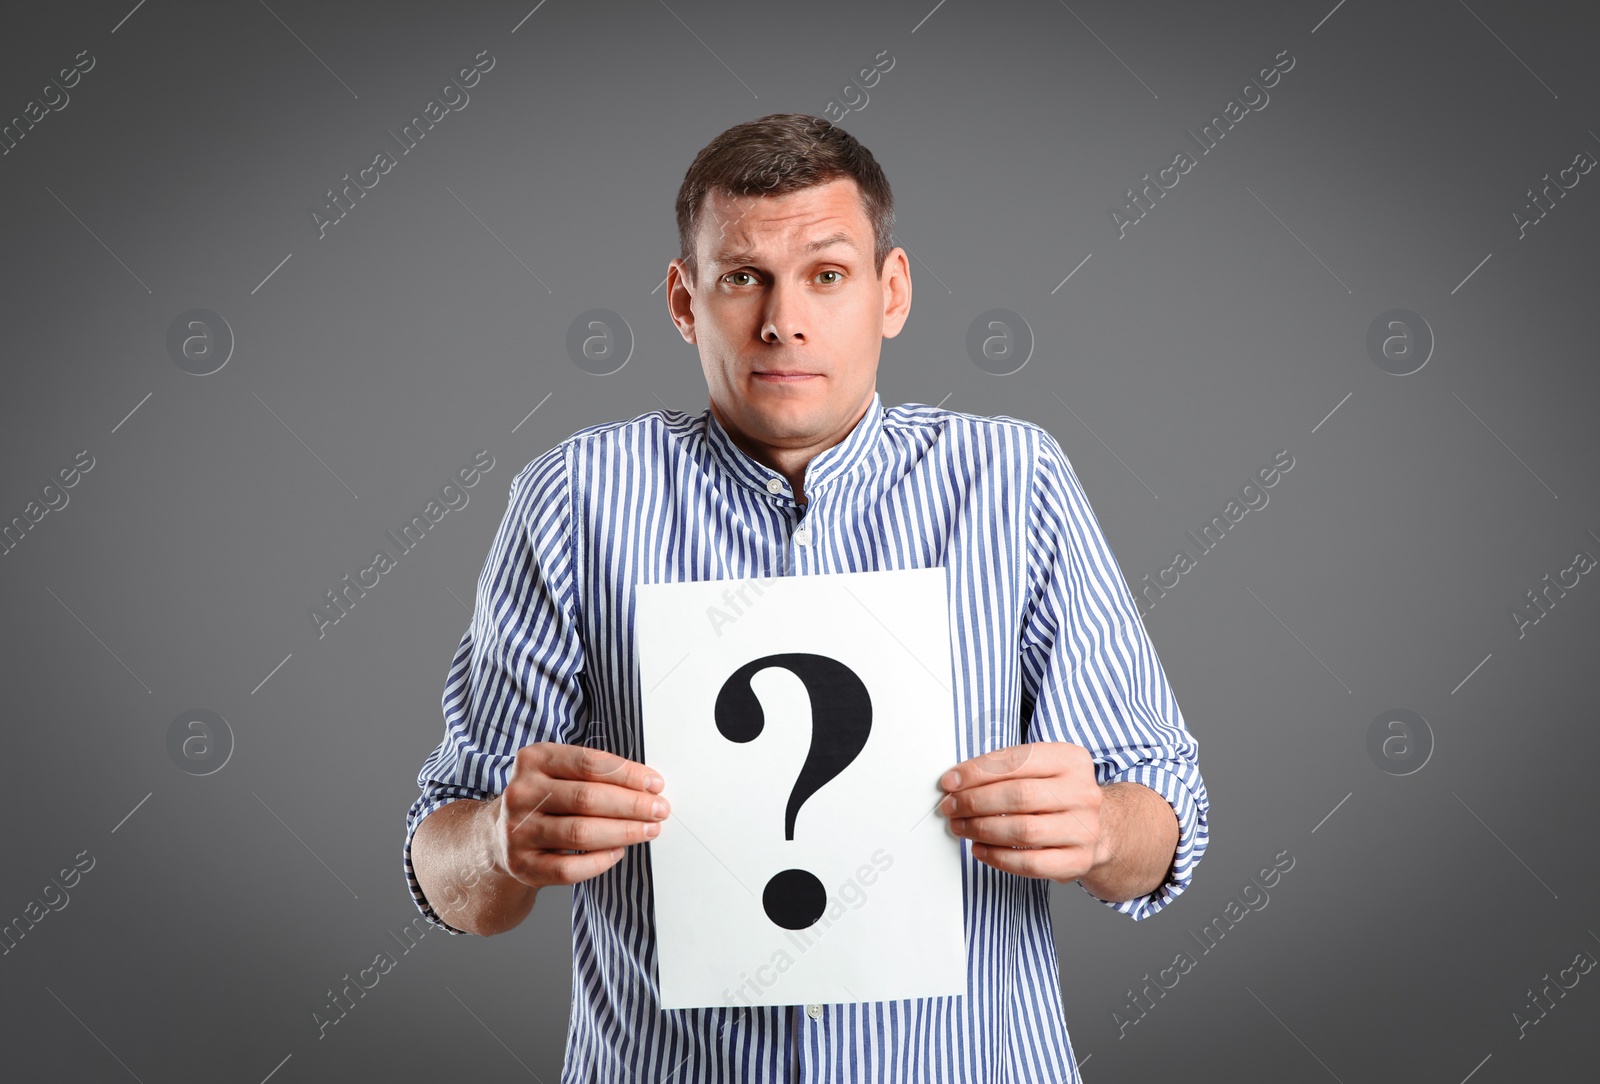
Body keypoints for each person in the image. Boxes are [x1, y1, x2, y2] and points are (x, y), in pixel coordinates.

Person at [406, 112, 1209, 1081]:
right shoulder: (573, 498)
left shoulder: (1014, 480)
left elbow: (1166, 821)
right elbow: (453, 868)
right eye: (743, 276)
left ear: (891, 292)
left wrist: (1102, 827)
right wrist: (499, 838)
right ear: (683, 299)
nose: (783, 318)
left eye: (826, 274)